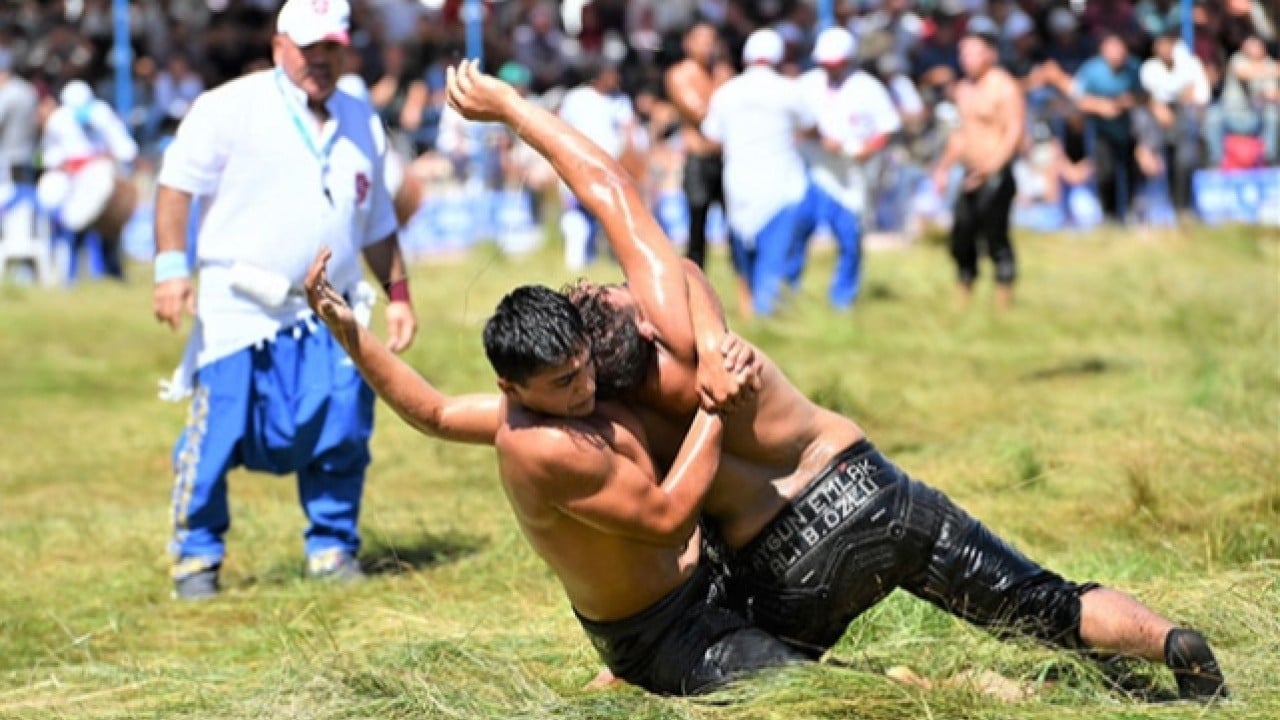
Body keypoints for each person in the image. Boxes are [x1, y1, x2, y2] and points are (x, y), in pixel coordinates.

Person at [434, 61, 1228, 702]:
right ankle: (1167, 643)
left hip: (782, 565)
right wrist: (511, 107)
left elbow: (484, 427)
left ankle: (944, 688)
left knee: (733, 648)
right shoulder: (679, 323)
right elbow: (608, 186)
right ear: (640, 322)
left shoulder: (604, 417)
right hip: (875, 491)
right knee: (1044, 601)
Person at [299, 58, 807, 696]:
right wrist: (714, 405)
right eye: (563, 385)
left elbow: (630, 215)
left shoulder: (579, 377)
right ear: (515, 390)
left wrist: (352, 332)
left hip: (700, 584)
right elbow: (669, 519)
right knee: (807, 690)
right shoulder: (532, 438)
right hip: (660, 628)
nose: (585, 389)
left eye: (580, 367)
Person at [152, 0, 418, 600]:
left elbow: (375, 221)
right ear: (279, 47)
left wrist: (397, 294)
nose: (320, 59)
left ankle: (332, 545)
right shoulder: (227, 108)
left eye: (331, 47)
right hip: (239, 306)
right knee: (216, 433)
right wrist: (171, 269)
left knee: (344, 427)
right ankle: (197, 557)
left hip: (335, 307)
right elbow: (176, 188)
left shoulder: (361, 118)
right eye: (307, 47)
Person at [702, 28, 815, 319]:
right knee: (774, 262)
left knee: (746, 258)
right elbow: (811, 124)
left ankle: (753, 318)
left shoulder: (726, 92)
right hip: (781, 184)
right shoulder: (789, 90)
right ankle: (767, 323)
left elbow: (711, 137)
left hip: (738, 184)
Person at [793, 26, 901, 311]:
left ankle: (843, 299)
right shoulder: (806, 84)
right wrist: (815, 137)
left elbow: (887, 127)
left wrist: (867, 148)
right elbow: (792, 123)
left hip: (851, 176)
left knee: (850, 239)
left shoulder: (867, 87)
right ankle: (786, 294)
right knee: (796, 233)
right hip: (813, 171)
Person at [931, 24, 1026, 310]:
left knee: (995, 235)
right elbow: (959, 135)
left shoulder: (1004, 86)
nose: (967, 59)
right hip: (969, 173)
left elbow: (1015, 131)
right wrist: (944, 168)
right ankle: (965, 284)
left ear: (990, 55)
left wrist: (991, 168)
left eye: (974, 53)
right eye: (963, 53)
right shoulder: (963, 89)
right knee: (962, 233)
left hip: (996, 174)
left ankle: (1003, 293)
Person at [36, 79, 138, 280]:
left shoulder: (102, 114)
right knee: (74, 227)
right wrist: (66, 164)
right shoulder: (59, 120)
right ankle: (70, 276)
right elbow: (48, 155)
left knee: (108, 234)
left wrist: (106, 158)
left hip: (102, 181)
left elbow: (126, 148)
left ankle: (112, 274)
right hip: (71, 184)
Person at [556, 60, 635, 270]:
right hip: (578, 164)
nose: (616, 79)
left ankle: (612, 259)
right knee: (576, 214)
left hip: (610, 169)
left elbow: (629, 131)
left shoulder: (621, 100)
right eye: (611, 74)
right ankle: (576, 262)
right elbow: (561, 128)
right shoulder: (576, 98)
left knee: (611, 216)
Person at [664, 22, 727, 271]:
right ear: (688, 43)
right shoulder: (679, 74)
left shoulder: (722, 72)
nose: (708, 46)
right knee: (697, 222)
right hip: (698, 157)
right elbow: (699, 113)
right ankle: (695, 279)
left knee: (736, 221)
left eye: (712, 40)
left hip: (723, 156)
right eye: (701, 40)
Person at [1068, 32, 1143, 222]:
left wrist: (1126, 102)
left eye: (1120, 48)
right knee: (1105, 172)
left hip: (1129, 130)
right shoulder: (1091, 70)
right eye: (1112, 48)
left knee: (1132, 171)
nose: (1117, 53)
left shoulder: (1133, 67)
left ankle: (1128, 211)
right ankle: (1108, 214)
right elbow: (1077, 99)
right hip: (1101, 131)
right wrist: (1101, 106)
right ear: (1103, 50)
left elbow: (1144, 96)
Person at [1139, 30, 1210, 212]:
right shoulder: (1149, 68)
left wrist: (1177, 99)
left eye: (1169, 44)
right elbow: (1154, 100)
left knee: (1184, 161)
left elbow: (1200, 96)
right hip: (1156, 126)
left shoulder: (1189, 64)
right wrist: (1161, 105)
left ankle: (1182, 207)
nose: (1166, 49)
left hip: (1183, 122)